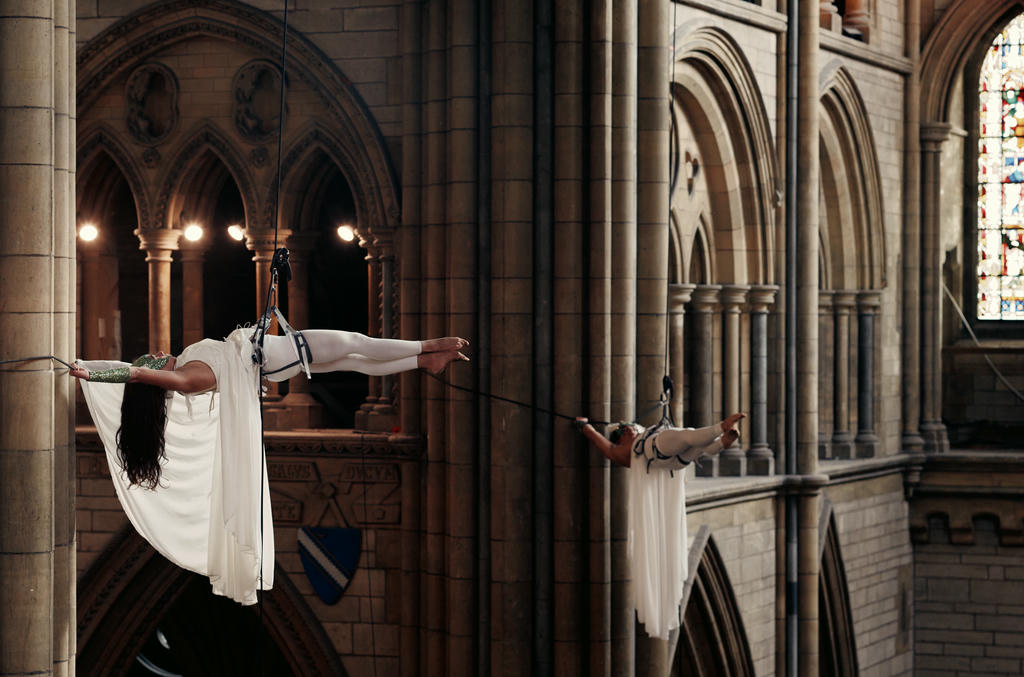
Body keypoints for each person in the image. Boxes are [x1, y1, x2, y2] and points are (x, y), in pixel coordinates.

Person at [72, 326, 469, 605]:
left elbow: (134, 369)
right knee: (353, 343)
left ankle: (422, 362)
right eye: (155, 360)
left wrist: (89, 363)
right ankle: (426, 345)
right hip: (270, 356)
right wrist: (95, 374)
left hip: (266, 352)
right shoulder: (188, 376)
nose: (159, 354)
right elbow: (136, 373)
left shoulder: (185, 364)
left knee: (351, 359)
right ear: (158, 373)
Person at [574, 412, 744, 640]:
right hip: (657, 451)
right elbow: (605, 445)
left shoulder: (632, 446)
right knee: (686, 438)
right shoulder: (624, 450)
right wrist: (586, 428)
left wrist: (591, 427)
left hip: (667, 460)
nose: (631, 431)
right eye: (627, 432)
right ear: (622, 437)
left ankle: (721, 442)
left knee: (691, 447)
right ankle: (720, 430)